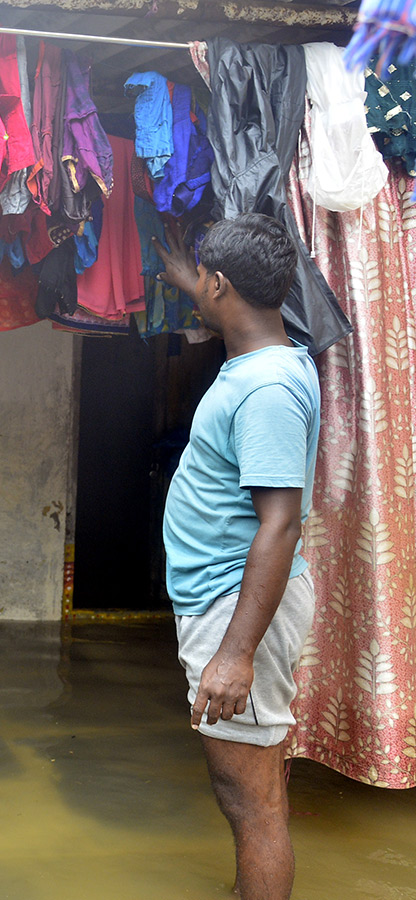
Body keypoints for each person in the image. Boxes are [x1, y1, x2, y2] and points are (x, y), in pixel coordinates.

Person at [152, 213, 320, 900]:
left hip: (235, 605)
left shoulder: (267, 391)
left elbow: (278, 526)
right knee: (259, 787)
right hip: (226, 595)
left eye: (205, 281)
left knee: (250, 804)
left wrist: (235, 654)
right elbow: (237, 311)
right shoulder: (269, 356)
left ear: (222, 285)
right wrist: (196, 282)